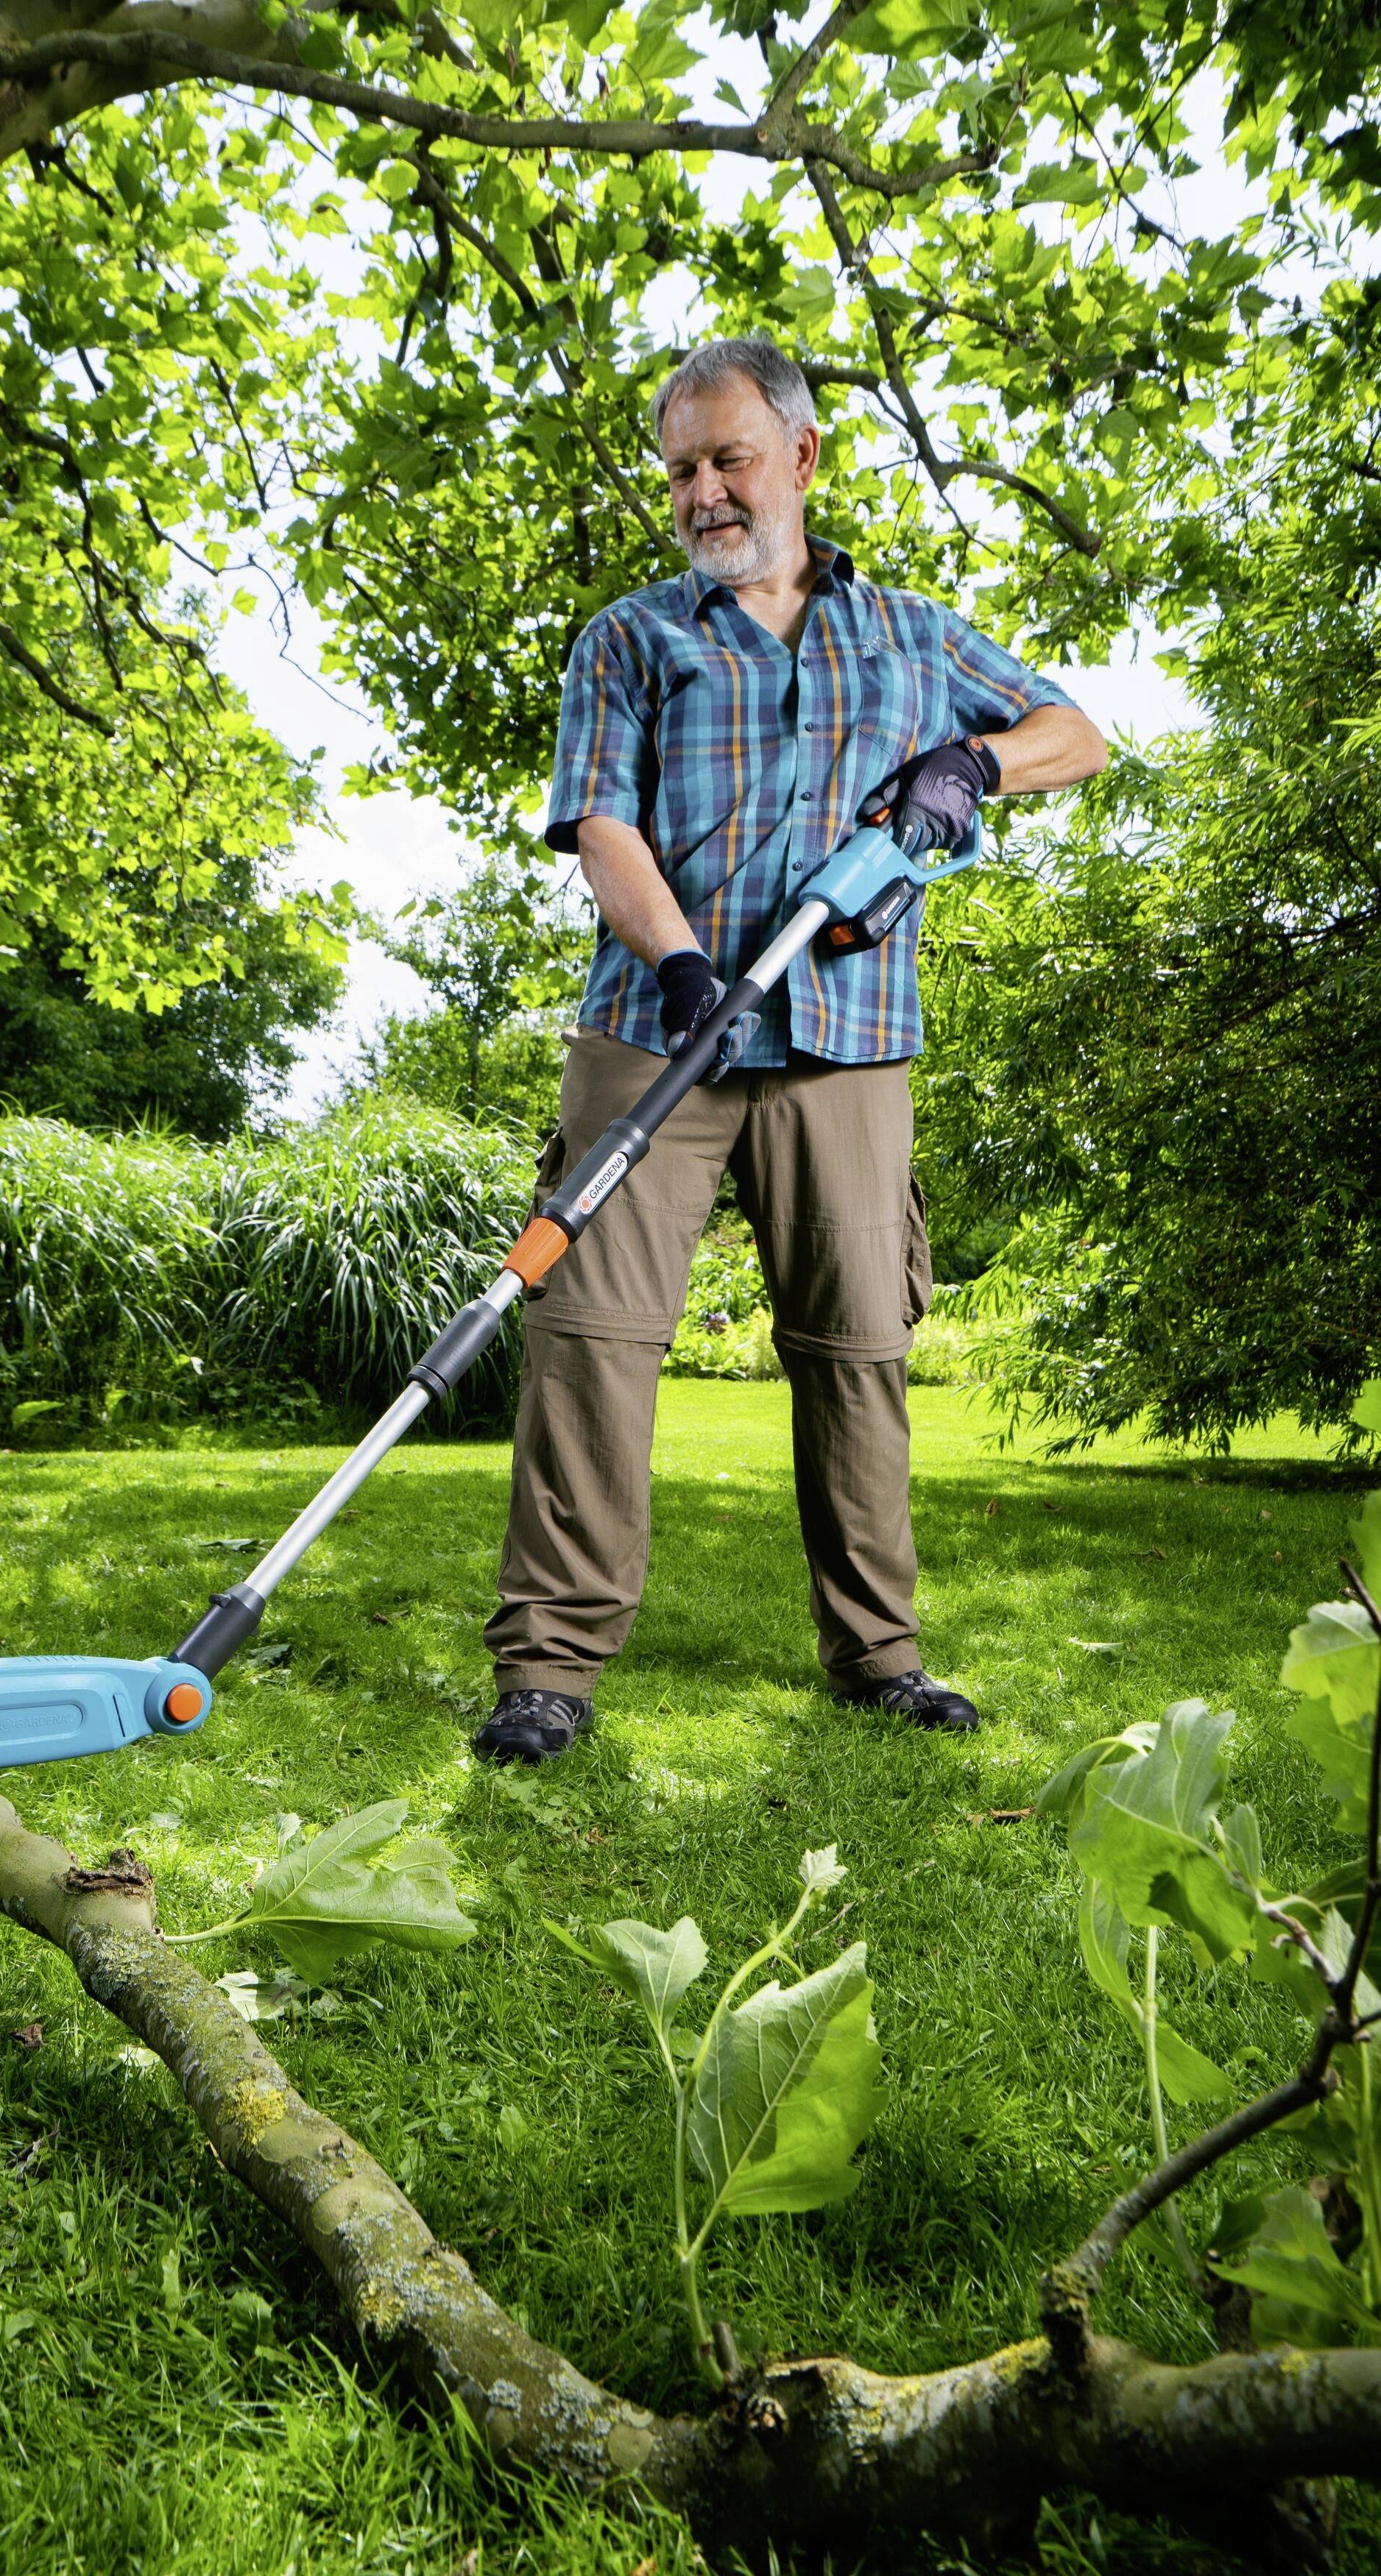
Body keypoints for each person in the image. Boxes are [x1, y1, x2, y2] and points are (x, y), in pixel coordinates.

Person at [476, 335, 1107, 1765]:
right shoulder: (632, 638)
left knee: (857, 1343)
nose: (703, 489)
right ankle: (549, 1672)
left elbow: (1078, 734)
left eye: (728, 457)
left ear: (802, 457)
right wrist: (682, 956)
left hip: (851, 1040)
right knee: (587, 1335)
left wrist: (976, 764)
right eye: (682, 469)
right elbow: (601, 826)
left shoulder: (914, 639)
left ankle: (879, 1656)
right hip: (659, 1029)